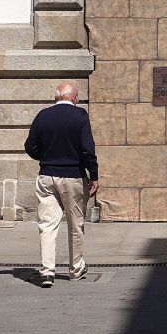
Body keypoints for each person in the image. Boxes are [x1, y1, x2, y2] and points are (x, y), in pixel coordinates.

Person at [24, 82, 98, 288]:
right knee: (76, 224)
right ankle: (76, 269)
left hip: (46, 175)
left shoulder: (42, 115)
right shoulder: (80, 116)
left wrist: (45, 157)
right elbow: (87, 149)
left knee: (47, 225)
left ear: (57, 97)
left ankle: (47, 272)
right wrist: (94, 175)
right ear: (74, 98)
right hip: (72, 176)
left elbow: (30, 146)